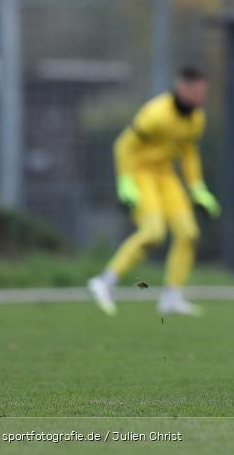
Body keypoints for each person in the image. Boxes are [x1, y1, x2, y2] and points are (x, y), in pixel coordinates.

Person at [87, 66, 221, 316]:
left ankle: (171, 297)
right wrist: (125, 182)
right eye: (196, 92)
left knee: (188, 233)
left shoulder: (196, 118)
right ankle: (104, 282)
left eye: (203, 93)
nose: (200, 98)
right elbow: (124, 145)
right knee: (153, 232)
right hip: (140, 173)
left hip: (165, 175)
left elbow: (188, 153)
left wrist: (197, 188)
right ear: (181, 88)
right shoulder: (156, 114)